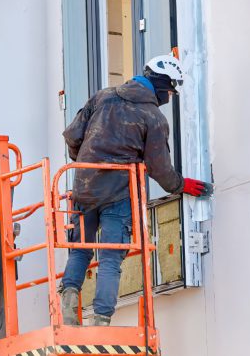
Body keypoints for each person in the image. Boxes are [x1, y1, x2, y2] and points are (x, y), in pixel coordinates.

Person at [59, 54, 211, 326]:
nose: (169, 96)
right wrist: (181, 185)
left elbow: (72, 136)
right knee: (110, 256)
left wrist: (82, 160)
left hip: (83, 186)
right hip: (117, 194)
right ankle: (102, 319)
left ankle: (68, 308)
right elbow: (159, 167)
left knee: (80, 247)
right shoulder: (152, 117)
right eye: (171, 91)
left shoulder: (103, 96)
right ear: (163, 86)